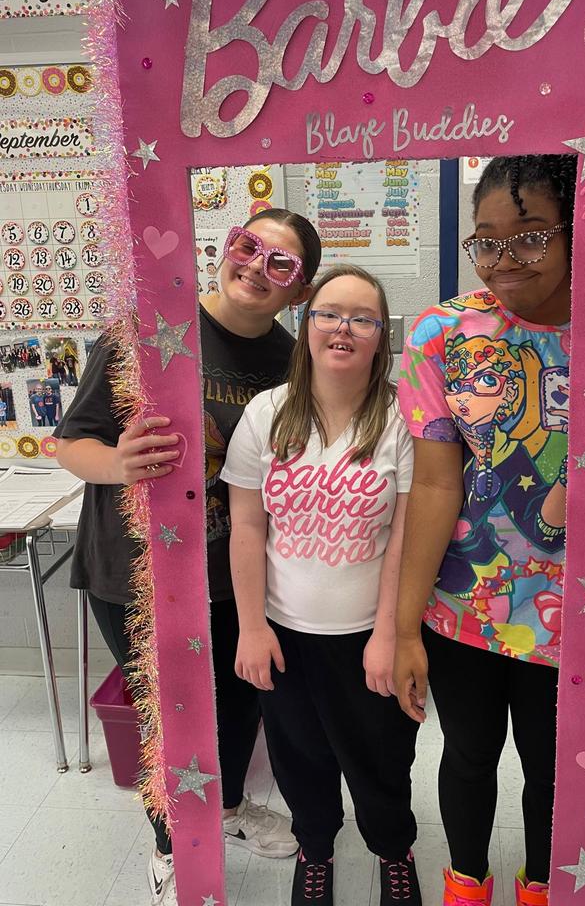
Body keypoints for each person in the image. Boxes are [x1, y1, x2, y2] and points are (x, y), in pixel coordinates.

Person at [394, 155, 585, 906]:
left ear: (575, 231)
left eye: (529, 235)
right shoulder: (443, 333)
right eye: (486, 241)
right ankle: (465, 885)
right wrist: (402, 627)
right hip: (465, 601)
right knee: (468, 754)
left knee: (554, 768)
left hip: (580, 608)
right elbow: (435, 484)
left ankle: (541, 889)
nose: (503, 259)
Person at [55, 209, 322, 906]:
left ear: (298, 290)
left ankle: (226, 809)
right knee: (164, 717)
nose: (257, 267)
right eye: (248, 246)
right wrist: (118, 464)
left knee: (237, 703)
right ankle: (171, 844)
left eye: (281, 263)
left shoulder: (293, 361)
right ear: (225, 247)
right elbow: (71, 442)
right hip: (134, 572)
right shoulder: (146, 331)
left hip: (235, 574)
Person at [223, 264, 422, 906]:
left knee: (381, 760)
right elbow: (247, 526)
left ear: (382, 336)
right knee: (299, 758)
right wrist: (252, 627)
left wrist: (390, 635)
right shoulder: (266, 414)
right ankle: (315, 852)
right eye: (329, 313)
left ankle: (393, 852)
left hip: (368, 636)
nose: (343, 328)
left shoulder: (402, 419)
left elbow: (404, 540)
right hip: (283, 635)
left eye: (363, 319)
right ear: (305, 324)